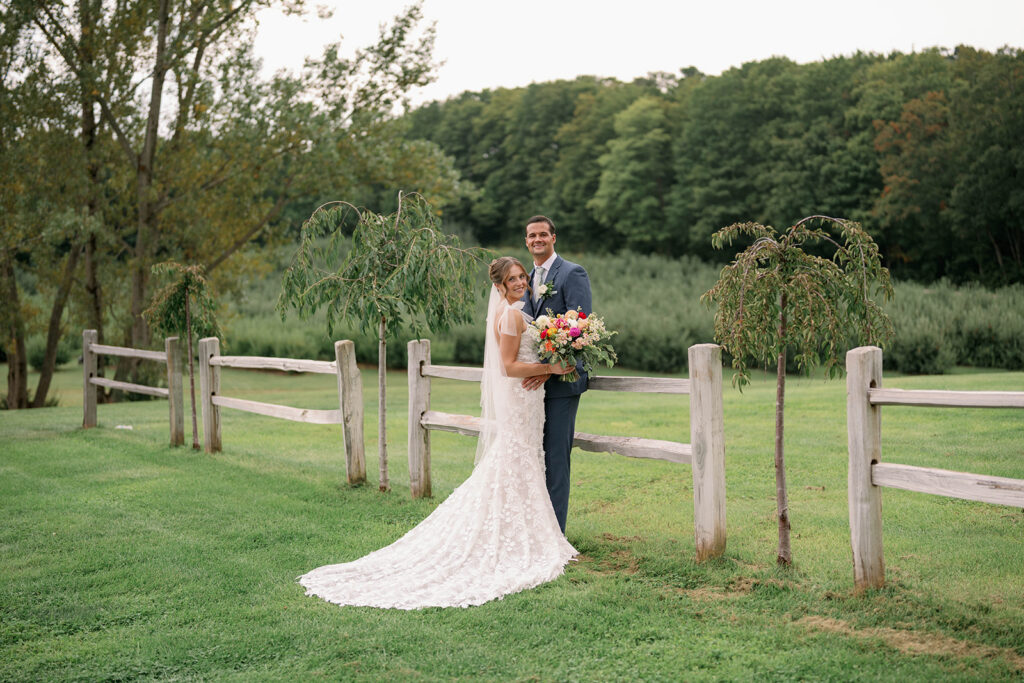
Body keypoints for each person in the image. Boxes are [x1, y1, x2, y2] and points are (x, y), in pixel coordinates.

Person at [298, 257, 577, 609]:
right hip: (521, 397)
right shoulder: (508, 315)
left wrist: (548, 369)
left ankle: (527, 529)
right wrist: (550, 366)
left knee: (520, 456)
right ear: (500, 286)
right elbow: (508, 366)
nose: (521, 282)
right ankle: (519, 535)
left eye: (522, 276)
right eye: (512, 279)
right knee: (516, 455)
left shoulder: (518, 313)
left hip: (528, 400)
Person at [520, 216, 592, 533]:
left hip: (562, 383)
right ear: (526, 241)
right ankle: (535, 531)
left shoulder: (572, 272)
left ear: (553, 238)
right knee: (532, 458)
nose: (537, 239)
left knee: (556, 461)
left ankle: (555, 536)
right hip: (531, 386)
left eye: (543, 234)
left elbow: (580, 327)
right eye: (532, 235)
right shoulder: (524, 278)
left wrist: (550, 370)